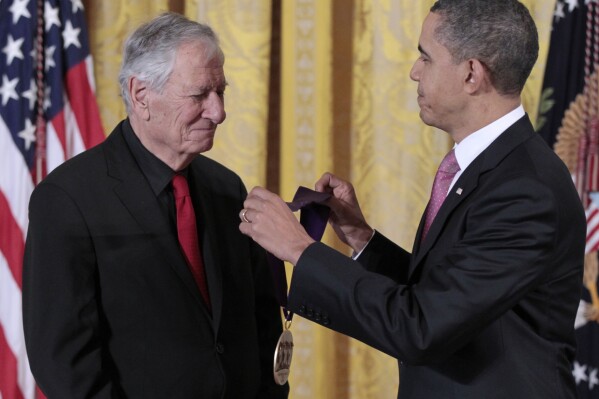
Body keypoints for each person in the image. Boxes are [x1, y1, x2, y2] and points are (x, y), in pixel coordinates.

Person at [239, 1, 586, 398]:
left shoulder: (526, 190)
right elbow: (443, 296)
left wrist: (300, 250)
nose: (414, 72)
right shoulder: (493, 167)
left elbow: (422, 329)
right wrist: (362, 238)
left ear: (472, 73)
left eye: (426, 57)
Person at [23, 12, 288, 399]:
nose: (218, 112)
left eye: (221, 92)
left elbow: (262, 321)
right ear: (141, 95)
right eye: (200, 95)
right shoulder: (67, 199)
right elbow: (65, 365)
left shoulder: (227, 188)